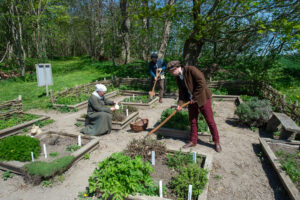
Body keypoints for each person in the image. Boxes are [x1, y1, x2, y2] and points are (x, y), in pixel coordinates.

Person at [166, 60, 222, 152]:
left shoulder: (191, 70)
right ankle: (193, 141)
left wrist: (195, 97)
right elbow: (181, 91)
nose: (171, 73)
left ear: (176, 68)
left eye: (172, 71)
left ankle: (216, 142)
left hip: (203, 98)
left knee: (210, 120)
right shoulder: (178, 77)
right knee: (192, 120)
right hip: (191, 101)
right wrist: (179, 104)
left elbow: (202, 82)